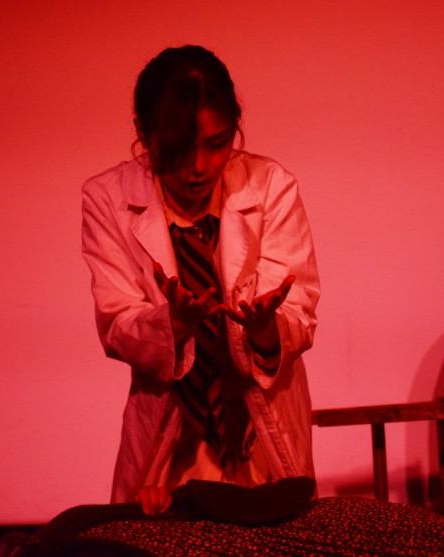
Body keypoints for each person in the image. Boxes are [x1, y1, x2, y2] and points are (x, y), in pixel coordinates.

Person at [81, 45, 320, 514]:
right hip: (172, 455)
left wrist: (264, 328)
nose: (199, 166)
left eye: (216, 144)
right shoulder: (107, 198)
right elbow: (116, 323)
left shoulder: (270, 185)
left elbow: (300, 312)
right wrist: (173, 324)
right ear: (143, 133)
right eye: (179, 148)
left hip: (260, 444)